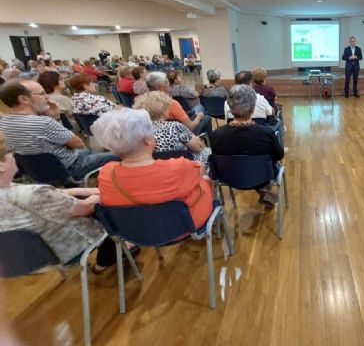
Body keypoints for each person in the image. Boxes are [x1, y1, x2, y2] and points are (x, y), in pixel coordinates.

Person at [0, 131, 119, 273]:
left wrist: (82, 191)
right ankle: (111, 255)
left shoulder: (10, 188)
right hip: (66, 248)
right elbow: (85, 208)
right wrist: (102, 194)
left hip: (18, 258)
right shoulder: (34, 194)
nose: (14, 154)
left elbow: (46, 197)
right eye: (9, 150)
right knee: (106, 209)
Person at [92, 109, 214, 230]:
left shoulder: (106, 173)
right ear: (147, 140)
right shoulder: (177, 167)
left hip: (139, 231)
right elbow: (201, 168)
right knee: (205, 178)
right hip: (184, 226)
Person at [0, 80, 118, 180]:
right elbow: (79, 143)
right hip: (70, 169)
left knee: (87, 152)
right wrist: (56, 118)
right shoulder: (44, 122)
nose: (47, 97)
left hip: (37, 173)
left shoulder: (3, 123)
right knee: (122, 153)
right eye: (42, 94)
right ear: (23, 99)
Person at [211, 85, 284, 208]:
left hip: (229, 178)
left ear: (230, 107)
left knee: (247, 165)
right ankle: (264, 189)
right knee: (262, 166)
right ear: (253, 107)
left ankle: (262, 189)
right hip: (262, 177)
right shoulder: (265, 133)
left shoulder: (217, 134)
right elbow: (278, 156)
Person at [134, 92, 211, 166]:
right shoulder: (175, 127)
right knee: (208, 152)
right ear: (164, 111)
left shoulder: (136, 132)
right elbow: (198, 148)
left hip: (153, 170)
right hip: (183, 167)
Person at [145, 72, 213, 143]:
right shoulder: (171, 104)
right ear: (160, 87)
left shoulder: (142, 104)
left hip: (153, 140)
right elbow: (190, 127)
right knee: (206, 117)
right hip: (178, 137)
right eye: (167, 82)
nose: (169, 84)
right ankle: (210, 146)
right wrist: (199, 117)